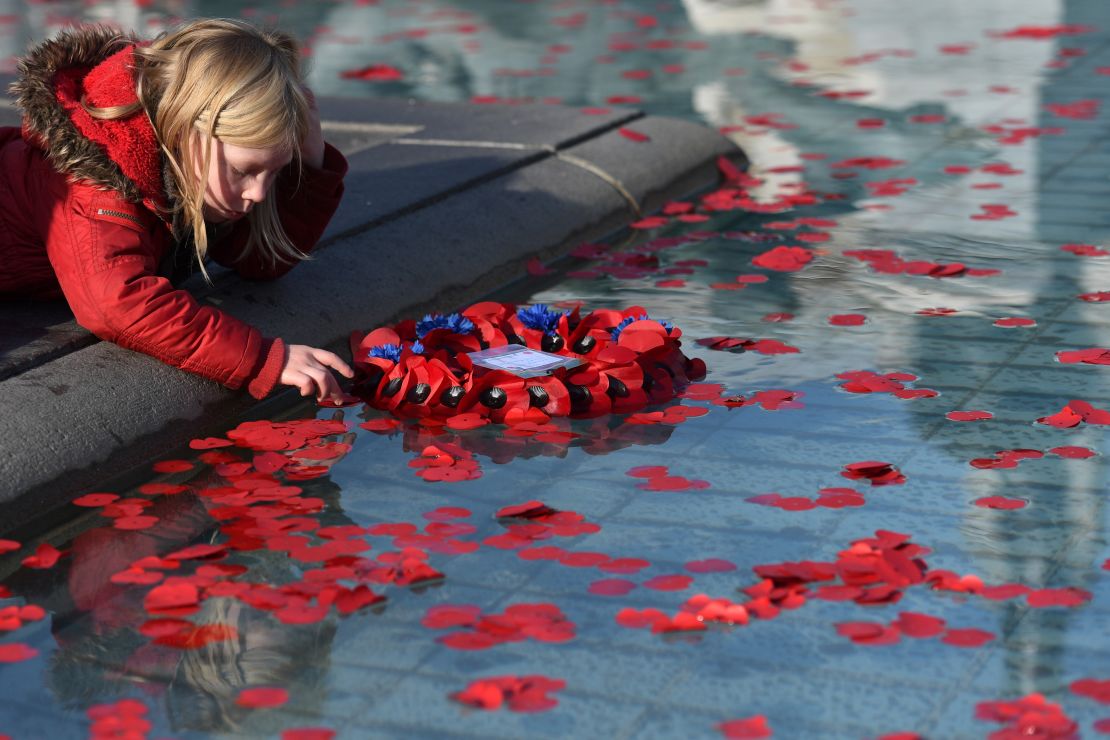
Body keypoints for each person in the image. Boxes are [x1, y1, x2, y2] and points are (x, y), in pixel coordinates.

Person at [0, 18, 354, 401]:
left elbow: (262, 261)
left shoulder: (195, 171)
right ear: (183, 131)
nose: (257, 193)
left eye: (275, 173)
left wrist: (312, 159)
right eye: (243, 171)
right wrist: (263, 358)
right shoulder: (92, 178)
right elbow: (117, 304)